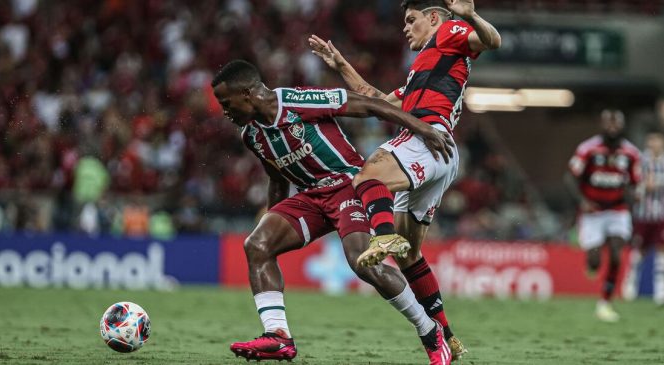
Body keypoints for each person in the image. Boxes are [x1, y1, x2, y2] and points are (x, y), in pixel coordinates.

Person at [212, 60, 456, 364]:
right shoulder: (251, 136)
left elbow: (368, 105)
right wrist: (273, 221)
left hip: (348, 186)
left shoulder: (295, 101)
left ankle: (429, 330)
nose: (224, 110)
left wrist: (421, 128)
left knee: (363, 263)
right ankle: (278, 337)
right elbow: (276, 177)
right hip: (310, 198)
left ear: (247, 94)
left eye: (226, 102)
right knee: (257, 244)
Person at [309, 0, 500, 358]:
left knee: (366, 176)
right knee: (411, 255)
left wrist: (470, 15)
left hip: (426, 138)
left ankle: (382, 238)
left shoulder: (448, 32)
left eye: (411, 20)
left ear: (432, 18)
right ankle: (447, 335)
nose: (405, 27)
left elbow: (491, 41)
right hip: (439, 152)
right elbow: (379, 101)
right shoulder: (421, 71)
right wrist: (341, 65)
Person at [566, 109, 641, 322]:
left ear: (622, 126)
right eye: (609, 124)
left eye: (616, 124)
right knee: (595, 260)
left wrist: (632, 198)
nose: (612, 128)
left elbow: (636, 183)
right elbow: (570, 178)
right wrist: (582, 201)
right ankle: (592, 262)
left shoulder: (632, 153)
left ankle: (605, 303)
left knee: (617, 254)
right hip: (593, 212)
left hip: (617, 210)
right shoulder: (588, 149)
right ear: (602, 125)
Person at [624, 130, 664, 306]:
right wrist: (643, 188)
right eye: (651, 140)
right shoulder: (640, 161)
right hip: (643, 215)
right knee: (638, 251)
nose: (654, 143)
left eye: (657, 140)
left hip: (661, 215)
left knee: (661, 253)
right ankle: (629, 285)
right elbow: (631, 185)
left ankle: (660, 291)